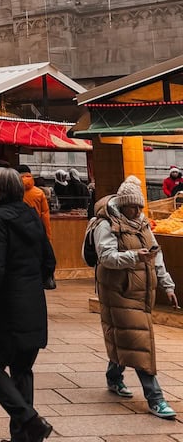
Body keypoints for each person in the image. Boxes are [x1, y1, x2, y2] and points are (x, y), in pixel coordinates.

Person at [0, 166, 56, 442]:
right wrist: (33, 283)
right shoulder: (30, 215)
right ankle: (23, 438)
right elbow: (49, 260)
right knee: (22, 369)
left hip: (6, 310)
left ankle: (30, 420)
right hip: (33, 305)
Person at [94, 174, 178, 419]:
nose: (137, 210)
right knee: (139, 342)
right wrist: (134, 257)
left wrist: (168, 285)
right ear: (122, 204)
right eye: (133, 206)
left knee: (127, 337)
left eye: (140, 206)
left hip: (142, 293)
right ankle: (156, 399)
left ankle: (113, 376)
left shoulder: (141, 223)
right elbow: (106, 257)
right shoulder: (106, 224)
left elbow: (155, 254)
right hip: (118, 292)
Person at [18, 165, 52, 241]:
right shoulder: (39, 193)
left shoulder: (12, 192)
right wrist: (47, 238)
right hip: (36, 230)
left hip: (17, 231)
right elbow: (45, 216)